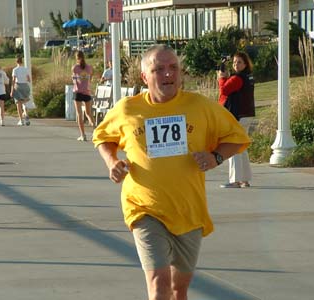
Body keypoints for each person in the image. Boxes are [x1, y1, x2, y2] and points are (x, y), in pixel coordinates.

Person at [92, 45, 251, 300]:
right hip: (144, 208)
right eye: (159, 69)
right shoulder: (127, 109)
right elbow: (102, 137)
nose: (168, 74)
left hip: (188, 210)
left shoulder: (200, 106)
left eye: (173, 68)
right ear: (145, 77)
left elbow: (237, 137)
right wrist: (112, 161)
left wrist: (216, 157)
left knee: (179, 290)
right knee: (159, 284)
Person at [218, 51, 255, 188]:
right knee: (241, 147)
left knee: (233, 146)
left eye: (239, 62)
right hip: (247, 115)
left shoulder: (238, 78)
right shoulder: (247, 77)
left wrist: (221, 78)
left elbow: (224, 90)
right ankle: (244, 179)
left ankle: (235, 180)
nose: (236, 64)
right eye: (234, 62)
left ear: (245, 64)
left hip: (238, 116)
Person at [71, 50, 95, 141]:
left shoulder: (75, 68)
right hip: (87, 92)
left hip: (78, 92)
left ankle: (83, 135)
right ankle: (94, 130)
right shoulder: (89, 67)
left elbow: (73, 79)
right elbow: (90, 79)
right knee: (89, 114)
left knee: (79, 114)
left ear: (76, 58)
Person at [10, 56, 31, 126]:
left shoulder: (15, 70)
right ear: (22, 61)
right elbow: (29, 79)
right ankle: (25, 112)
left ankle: (21, 120)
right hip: (25, 85)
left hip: (18, 86)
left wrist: (12, 90)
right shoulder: (26, 69)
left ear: (16, 62)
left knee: (18, 104)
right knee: (24, 102)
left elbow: (13, 80)